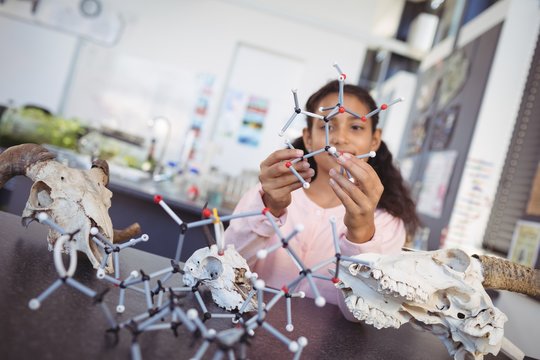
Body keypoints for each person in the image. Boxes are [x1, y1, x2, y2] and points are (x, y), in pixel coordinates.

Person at [224, 80, 419, 309]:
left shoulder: (387, 222)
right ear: (308, 138)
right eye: (327, 125)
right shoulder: (268, 194)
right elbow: (225, 270)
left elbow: (364, 312)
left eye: (355, 127)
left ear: (374, 139)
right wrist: (271, 206)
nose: (340, 138)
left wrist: (362, 231)